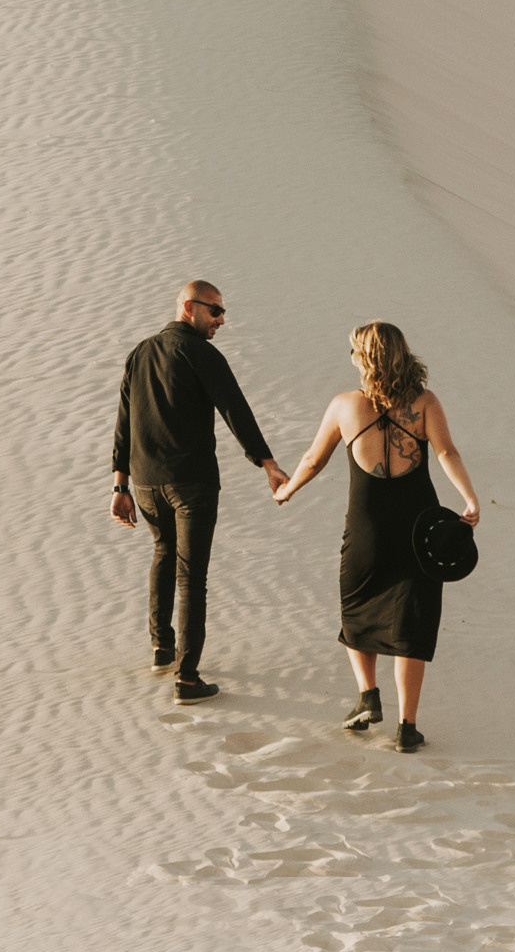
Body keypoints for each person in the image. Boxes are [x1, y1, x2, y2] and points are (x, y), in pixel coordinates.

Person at [273, 319, 478, 751]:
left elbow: (313, 459)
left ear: (365, 358)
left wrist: (287, 491)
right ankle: (407, 726)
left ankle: (368, 695)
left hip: (367, 525)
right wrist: (469, 498)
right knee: (412, 623)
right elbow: (446, 451)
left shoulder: (345, 405)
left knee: (357, 604)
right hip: (417, 526)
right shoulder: (424, 403)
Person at [111, 281, 289, 700]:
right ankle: (188, 678)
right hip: (191, 483)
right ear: (189, 308)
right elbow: (235, 409)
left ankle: (162, 647)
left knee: (163, 554)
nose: (222, 320)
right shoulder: (200, 353)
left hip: (147, 483)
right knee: (191, 576)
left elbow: (123, 423)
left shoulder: (139, 352)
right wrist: (267, 463)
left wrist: (120, 484)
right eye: (215, 311)